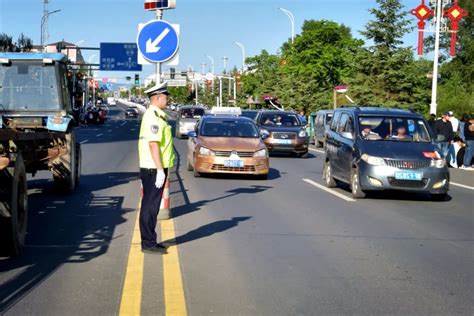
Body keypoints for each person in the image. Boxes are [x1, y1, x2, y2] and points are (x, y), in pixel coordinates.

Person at [138, 81, 175, 254]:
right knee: (150, 206)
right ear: (158, 98)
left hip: (155, 167)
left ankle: (150, 240)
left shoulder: (157, 115)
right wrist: (160, 170)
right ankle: (148, 243)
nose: (167, 101)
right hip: (153, 168)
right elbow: (154, 145)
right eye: (166, 98)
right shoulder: (153, 116)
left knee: (151, 205)